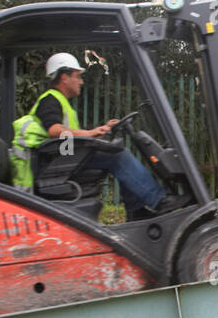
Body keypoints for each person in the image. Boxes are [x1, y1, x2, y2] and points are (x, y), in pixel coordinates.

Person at [12, 53, 187, 218]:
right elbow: (54, 130)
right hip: (57, 163)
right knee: (118, 157)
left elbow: (70, 134)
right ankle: (158, 201)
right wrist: (90, 133)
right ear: (64, 77)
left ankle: (136, 211)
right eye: (77, 76)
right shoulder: (50, 99)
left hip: (63, 159)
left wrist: (101, 129)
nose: (80, 82)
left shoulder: (59, 101)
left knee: (116, 155)